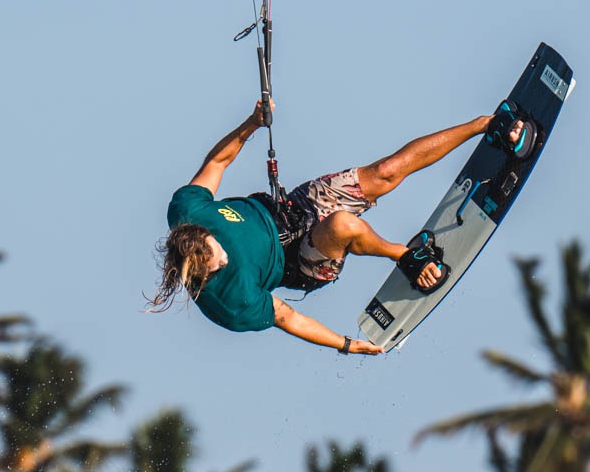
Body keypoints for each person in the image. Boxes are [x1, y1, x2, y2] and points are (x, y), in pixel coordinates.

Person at [153, 101, 530, 355]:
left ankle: (486, 126)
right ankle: (406, 256)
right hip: (301, 263)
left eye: (218, 251)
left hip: (290, 210)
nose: (223, 260)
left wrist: (252, 123)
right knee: (344, 225)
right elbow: (289, 318)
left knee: (384, 173)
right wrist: (345, 345)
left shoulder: (187, 210)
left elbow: (218, 161)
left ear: (201, 234)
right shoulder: (229, 303)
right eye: (216, 267)